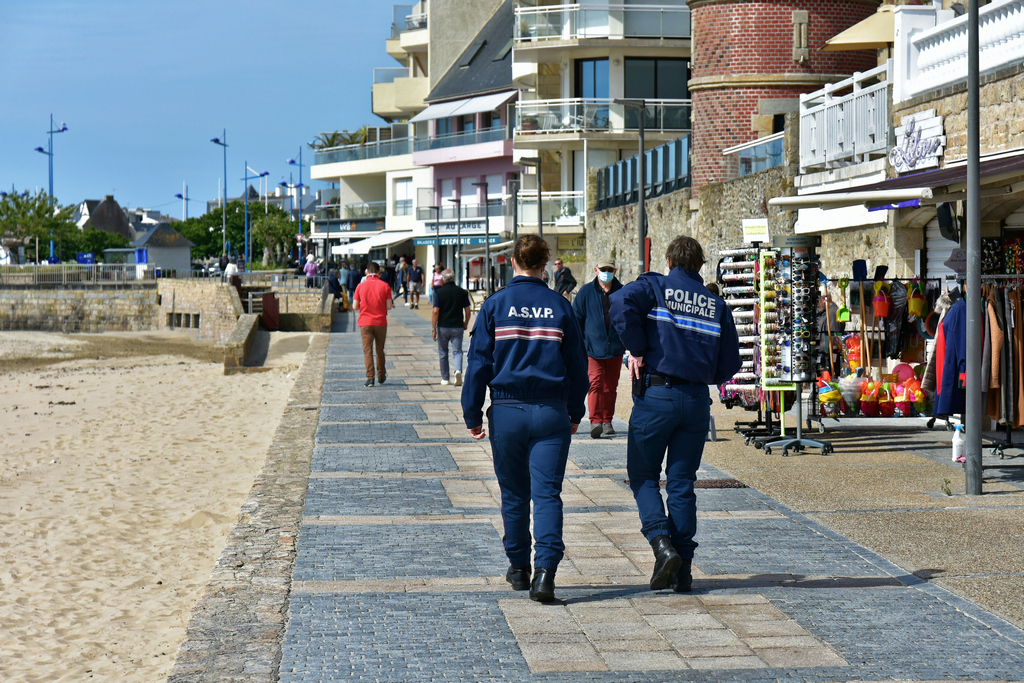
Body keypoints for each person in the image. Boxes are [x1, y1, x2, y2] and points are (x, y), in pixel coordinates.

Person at [609, 236, 741, 593]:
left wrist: (637, 347)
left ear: (668, 260)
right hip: (696, 400)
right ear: (700, 265)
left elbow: (618, 303)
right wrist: (703, 374)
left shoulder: (655, 286)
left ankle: (661, 544)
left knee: (643, 476)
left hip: (657, 395)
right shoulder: (715, 304)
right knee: (682, 483)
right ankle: (683, 571)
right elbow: (731, 363)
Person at [462, 234, 588, 603]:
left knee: (514, 493)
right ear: (544, 264)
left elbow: (478, 365)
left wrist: (472, 412)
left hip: (507, 410)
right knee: (548, 494)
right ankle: (546, 572)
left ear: (512, 262)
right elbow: (578, 368)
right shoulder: (560, 306)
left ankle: (519, 567)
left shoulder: (495, 305)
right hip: (551, 412)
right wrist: (576, 411)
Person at [572, 257, 626, 439]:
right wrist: (579, 344)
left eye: (609, 269)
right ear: (596, 270)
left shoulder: (622, 291)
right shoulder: (586, 292)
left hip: (615, 349)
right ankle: (595, 421)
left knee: (610, 387)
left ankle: (607, 420)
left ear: (615, 271)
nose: (606, 272)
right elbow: (576, 319)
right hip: (592, 350)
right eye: (603, 269)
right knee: (595, 384)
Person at [352, 261, 394, 387]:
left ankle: (370, 378)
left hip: (365, 322)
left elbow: (355, 306)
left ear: (367, 272)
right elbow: (389, 306)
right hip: (381, 322)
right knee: (380, 350)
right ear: (379, 272)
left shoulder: (360, 286)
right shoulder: (385, 286)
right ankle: (381, 375)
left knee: (367, 351)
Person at [432, 269, 471, 386]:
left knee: (443, 352)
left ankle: (445, 378)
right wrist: (466, 322)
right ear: (454, 278)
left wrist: (434, 328)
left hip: (443, 326)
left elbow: (435, 311)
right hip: (457, 326)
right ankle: (458, 370)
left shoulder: (439, 293)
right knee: (457, 351)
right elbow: (468, 310)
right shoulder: (462, 292)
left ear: (443, 279)